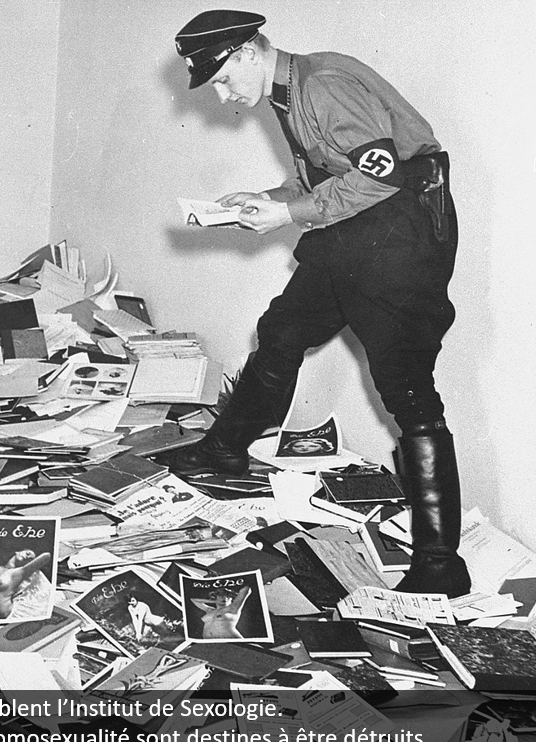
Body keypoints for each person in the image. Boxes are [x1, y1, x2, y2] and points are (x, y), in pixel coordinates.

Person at [160, 10, 469, 597]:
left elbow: (382, 174)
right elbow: (330, 174)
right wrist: (267, 199)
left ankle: (440, 563)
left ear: (248, 52)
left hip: (399, 234)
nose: (224, 96)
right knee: (282, 331)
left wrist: (288, 213)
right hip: (354, 230)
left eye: (223, 79)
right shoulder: (289, 90)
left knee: (405, 386)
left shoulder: (322, 84)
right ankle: (224, 451)